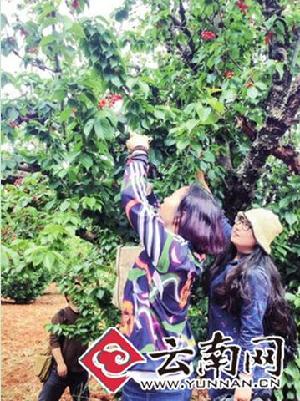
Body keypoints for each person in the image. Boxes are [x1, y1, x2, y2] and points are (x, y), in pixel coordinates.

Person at [119, 133, 228, 401]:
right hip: (158, 370)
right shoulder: (186, 251)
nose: (165, 199)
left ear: (181, 216)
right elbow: (151, 205)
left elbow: (133, 198)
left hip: (156, 377)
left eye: (172, 197)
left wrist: (139, 152)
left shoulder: (172, 250)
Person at [205, 208, 297, 401]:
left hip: (241, 373)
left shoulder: (254, 274)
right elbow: (219, 217)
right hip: (223, 363)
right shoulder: (233, 261)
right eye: (240, 221)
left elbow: (252, 330)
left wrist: (244, 379)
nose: (239, 227)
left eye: (248, 226)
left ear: (259, 237)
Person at [38, 294, 89, 401]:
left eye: (80, 292)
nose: (78, 295)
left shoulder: (88, 317)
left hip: (80, 371)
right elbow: (54, 342)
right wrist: (61, 363)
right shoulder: (61, 316)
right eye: (74, 292)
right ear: (68, 296)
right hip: (60, 371)